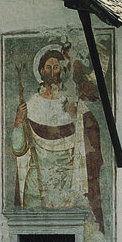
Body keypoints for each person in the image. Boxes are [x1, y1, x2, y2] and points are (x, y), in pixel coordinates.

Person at [11, 44, 104, 230]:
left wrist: (77, 117)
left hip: (67, 181)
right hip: (37, 181)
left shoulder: (71, 102)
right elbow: (18, 149)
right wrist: (19, 121)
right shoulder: (31, 105)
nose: (52, 71)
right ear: (41, 71)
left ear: (62, 70)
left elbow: (93, 131)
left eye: (56, 67)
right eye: (48, 67)